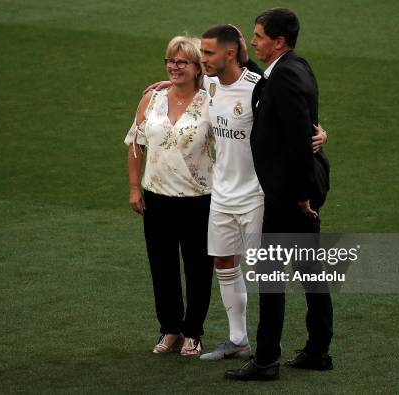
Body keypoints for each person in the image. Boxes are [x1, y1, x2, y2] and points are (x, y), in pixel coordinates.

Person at [197, 25, 328, 362]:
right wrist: (166, 86)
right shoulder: (208, 82)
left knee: (270, 273)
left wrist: (316, 137)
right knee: (224, 262)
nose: (202, 59)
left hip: (258, 194)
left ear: (230, 53)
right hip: (222, 193)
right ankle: (239, 340)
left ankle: (272, 350)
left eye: (209, 53)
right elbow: (185, 72)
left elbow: (291, 126)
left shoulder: (260, 87)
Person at [225, 8, 333, 381]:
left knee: (271, 278)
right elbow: (269, 85)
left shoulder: (285, 78)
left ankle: (266, 359)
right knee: (310, 273)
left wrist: (303, 194)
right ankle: (319, 350)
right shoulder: (294, 67)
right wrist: (244, 57)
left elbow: (300, 139)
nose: (254, 40)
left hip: (289, 195)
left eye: (258, 36)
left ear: (279, 41)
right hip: (296, 190)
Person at [124, 36, 214, 356]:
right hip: (157, 197)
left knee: (198, 268)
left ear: (197, 68)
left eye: (182, 62)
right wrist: (135, 187)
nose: (174, 67)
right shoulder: (151, 99)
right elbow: (135, 145)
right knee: (161, 266)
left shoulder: (210, 101)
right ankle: (171, 329)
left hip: (198, 198)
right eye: (170, 62)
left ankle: (193, 332)